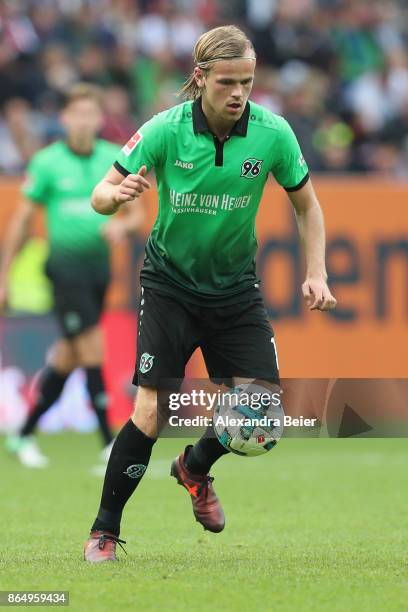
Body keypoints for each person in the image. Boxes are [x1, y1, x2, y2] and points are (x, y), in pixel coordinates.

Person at [83, 25, 337, 563]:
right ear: (200, 78)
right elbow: (100, 194)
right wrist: (116, 195)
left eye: (246, 80)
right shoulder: (164, 130)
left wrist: (317, 272)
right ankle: (104, 530)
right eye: (227, 81)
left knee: (264, 418)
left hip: (235, 292)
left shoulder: (274, 133)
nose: (238, 92)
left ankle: (194, 467)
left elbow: (307, 207)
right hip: (170, 284)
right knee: (150, 411)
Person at [0, 83, 143, 468]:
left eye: (90, 114)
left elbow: (135, 215)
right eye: (76, 114)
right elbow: (22, 222)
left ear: (100, 119)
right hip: (63, 268)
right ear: (64, 119)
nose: (83, 122)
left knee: (68, 354)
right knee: (92, 346)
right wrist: (4, 276)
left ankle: (23, 435)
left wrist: (122, 228)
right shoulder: (47, 162)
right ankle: (107, 441)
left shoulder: (114, 159)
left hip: (98, 269)